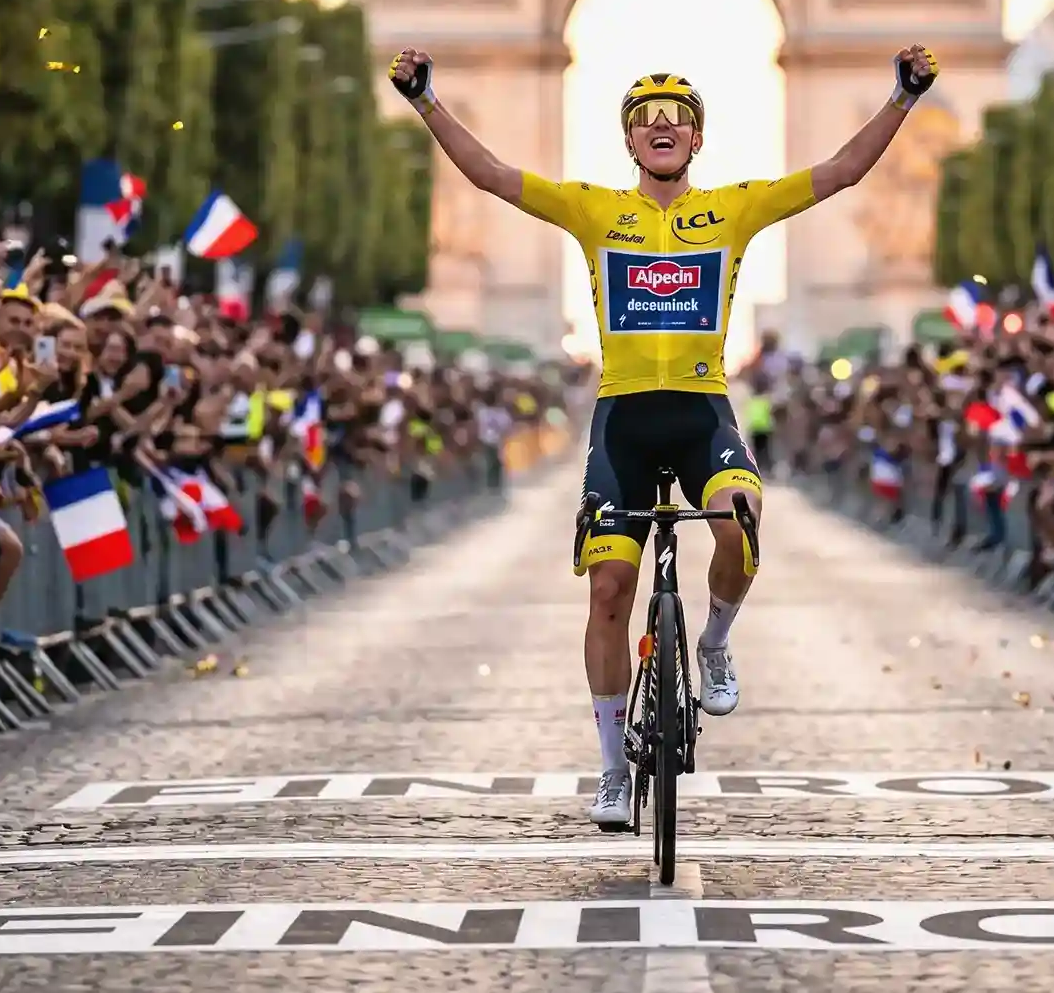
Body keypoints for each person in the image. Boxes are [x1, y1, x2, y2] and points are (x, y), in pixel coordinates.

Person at [389, 42, 941, 828]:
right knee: (609, 588)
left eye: (676, 118)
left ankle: (713, 639)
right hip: (623, 419)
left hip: (701, 410)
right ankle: (613, 768)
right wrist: (426, 99)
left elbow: (842, 171)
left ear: (697, 138)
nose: (661, 127)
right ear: (628, 141)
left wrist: (903, 96)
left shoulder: (738, 207)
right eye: (644, 118)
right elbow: (491, 177)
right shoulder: (591, 208)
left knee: (741, 518)